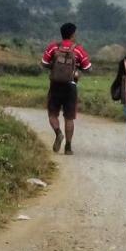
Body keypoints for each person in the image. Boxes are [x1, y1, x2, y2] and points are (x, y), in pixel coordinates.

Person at [41, 21, 91, 154]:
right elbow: (87, 67)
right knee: (69, 118)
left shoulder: (53, 47)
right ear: (73, 34)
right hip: (71, 86)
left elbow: (44, 62)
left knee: (52, 114)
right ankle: (68, 147)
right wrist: (77, 68)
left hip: (55, 84)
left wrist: (54, 66)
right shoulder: (78, 49)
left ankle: (58, 133)